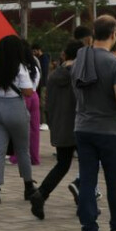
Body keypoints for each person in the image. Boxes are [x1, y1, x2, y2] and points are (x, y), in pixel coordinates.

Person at [71, 15, 116, 231]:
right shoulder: (115, 64)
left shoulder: (79, 60)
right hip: (110, 130)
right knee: (114, 180)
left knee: (87, 180)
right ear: (114, 34)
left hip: (83, 127)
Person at [29, 40, 84, 220]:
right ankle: (84, 202)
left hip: (60, 125)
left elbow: (48, 104)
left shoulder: (53, 76)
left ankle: (41, 193)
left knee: (62, 164)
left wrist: (53, 124)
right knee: (89, 164)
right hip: (80, 125)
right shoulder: (80, 75)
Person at [0, 35, 36, 205]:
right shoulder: (20, 67)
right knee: (22, 150)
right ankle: (28, 187)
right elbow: (28, 92)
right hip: (14, 107)